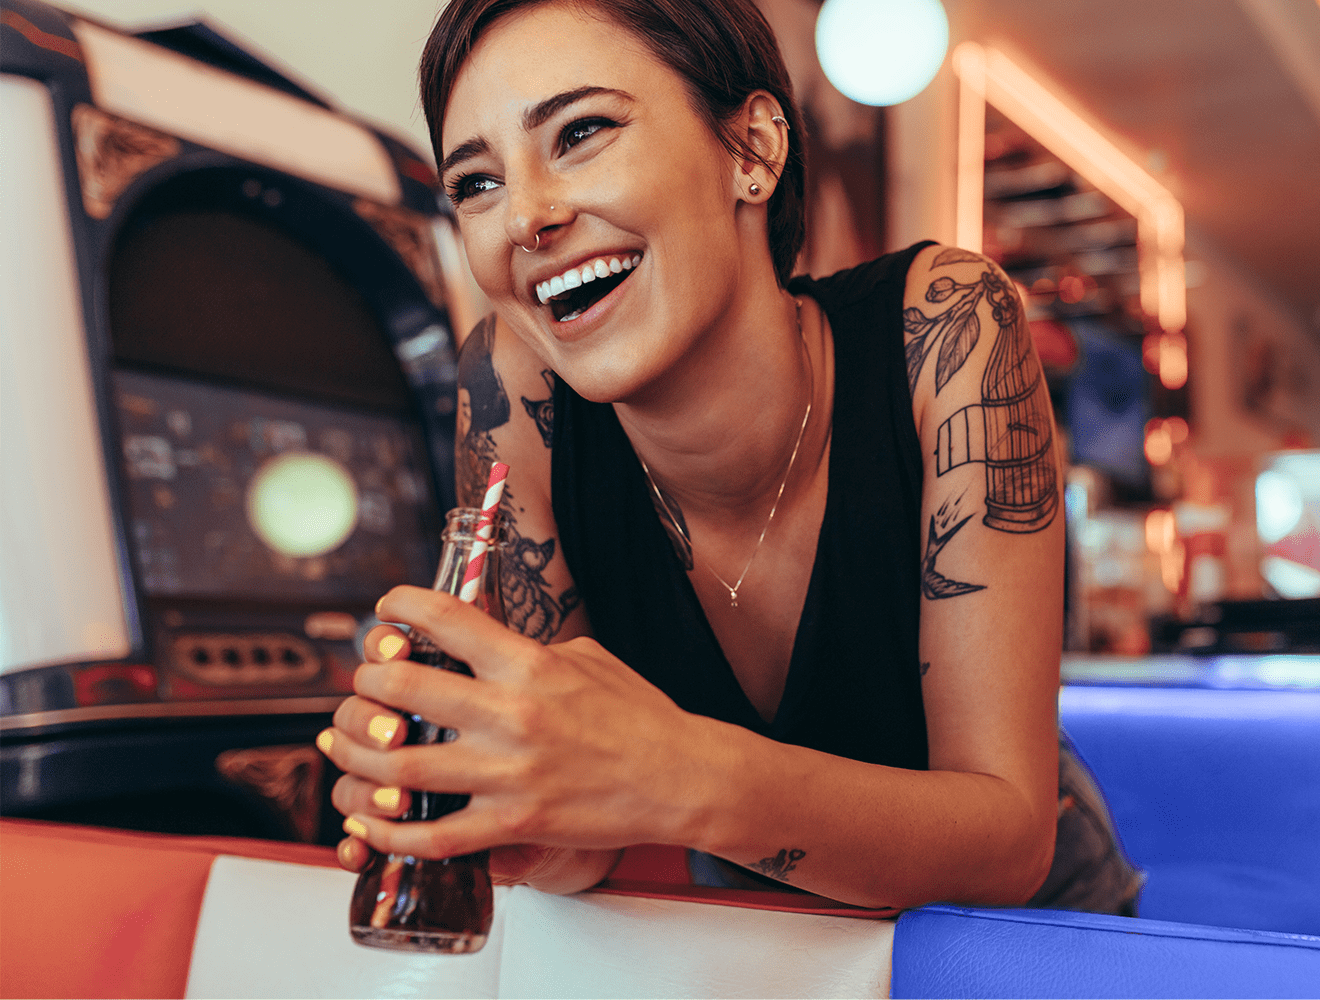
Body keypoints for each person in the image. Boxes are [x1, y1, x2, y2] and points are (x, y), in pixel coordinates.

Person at [317, 0, 1141, 912]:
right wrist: (510, 829)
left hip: (1019, 945)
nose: (526, 218)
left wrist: (678, 773)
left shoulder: (942, 324)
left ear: (751, 150)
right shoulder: (512, 385)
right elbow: (589, 846)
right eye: (475, 185)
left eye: (580, 132)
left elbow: (1007, 844)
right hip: (761, 936)